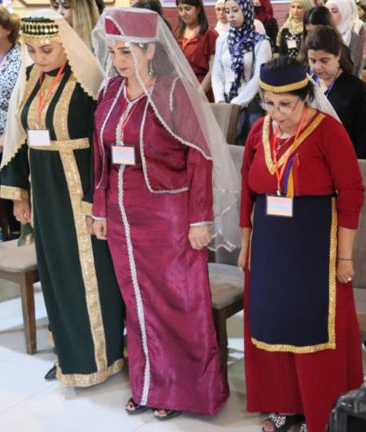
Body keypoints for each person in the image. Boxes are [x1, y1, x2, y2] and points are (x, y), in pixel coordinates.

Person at [91, 8, 239, 419]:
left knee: (178, 305)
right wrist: (100, 209)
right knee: (137, 305)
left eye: (126, 51)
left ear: (149, 49)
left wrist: (199, 219)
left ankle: (186, 391)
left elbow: (200, 158)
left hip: (170, 218)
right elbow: (101, 161)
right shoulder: (111, 93)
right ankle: (148, 384)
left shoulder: (174, 92)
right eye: (114, 51)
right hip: (123, 217)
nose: (119, 61)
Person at [239, 56, 365, 432]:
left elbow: (352, 193)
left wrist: (345, 257)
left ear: (306, 97)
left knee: (313, 330)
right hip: (269, 247)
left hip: (315, 248)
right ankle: (283, 405)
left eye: (286, 105)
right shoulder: (258, 130)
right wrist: (245, 245)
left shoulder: (327, 131)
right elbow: (248, 192)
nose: (276, 114)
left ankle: (320, 412)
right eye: (269, 103)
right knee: (272, 325)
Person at [0, 10, 125, 386]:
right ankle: (69, 353)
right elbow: (19, 139)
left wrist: (93, 202)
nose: (40, 58)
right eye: (33, 50)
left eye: (47, 50)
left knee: (88, 273)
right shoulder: (30, 77)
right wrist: (18, 194)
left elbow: (102, 148)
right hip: (46, 194)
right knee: (56, 274)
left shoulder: (87, 85)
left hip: (80, 195)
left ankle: (100, 358)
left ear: (66, 45)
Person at [307, 25, 366, 159]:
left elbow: (365, 139)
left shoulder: (356, 89)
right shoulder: (306, 84)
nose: (317, 67)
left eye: (324, 60)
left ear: (338, 55)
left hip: (344, 159)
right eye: (312, 61)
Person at [212, 0, 272, 144]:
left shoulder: (261, 41)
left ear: (246, 10)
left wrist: (237, 103)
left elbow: (259, 77)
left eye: (235, 10)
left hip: (250, 104)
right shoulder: (222, 40)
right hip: (225, 103)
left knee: (247, 146)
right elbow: (217, 72)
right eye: (227, 11)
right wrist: (220, 99)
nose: (230, 15)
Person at [0, 3, 21, 237]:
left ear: (7, 28)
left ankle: (13, 234)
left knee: (7, 194)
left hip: (7, 138)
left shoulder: (21, 58)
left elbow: (22, 103)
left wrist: (5, 136)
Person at [175, 0, 217, 99]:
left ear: (198, 9)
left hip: (201, 90)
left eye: (187, 9)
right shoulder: (177, 32)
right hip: (180, 89)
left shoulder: (210, 34)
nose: (183, 13)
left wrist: (198, 94)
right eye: (180, 9)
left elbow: (213, 71)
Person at [327, 0, 366, 76]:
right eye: (327, 11)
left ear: (346, 11)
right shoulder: (326, 28)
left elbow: (356, 63)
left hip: (348, 79)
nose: (329, 15)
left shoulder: (357, 28)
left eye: (334, 11)